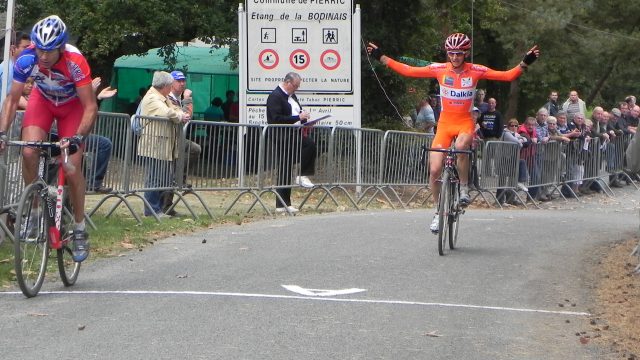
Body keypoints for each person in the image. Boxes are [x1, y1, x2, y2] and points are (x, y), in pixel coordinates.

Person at [367, 33, 539, 233]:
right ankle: (438, 212)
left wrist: (525, 62)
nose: (455, 57)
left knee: (460, 148)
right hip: (445, 124)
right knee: (434, 171)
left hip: (464, 123)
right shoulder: (439, 69)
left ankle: (464, 188)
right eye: (451, 53)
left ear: (465, 53)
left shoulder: (475, 70)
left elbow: (507, 75)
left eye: (458, 53)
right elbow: (408, 71)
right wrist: (381, 57)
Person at [0, 15, 97, 262]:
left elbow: (90, 107)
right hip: (42, 101)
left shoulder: (75, 62)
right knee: (29, 151)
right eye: (40, 49)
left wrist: (77, 137)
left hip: (72, 106)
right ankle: (33, 212)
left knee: (71, 166)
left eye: (49, 51)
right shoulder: (26, 58)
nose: (43, 56)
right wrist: (1, 133)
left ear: (61, 47)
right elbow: (12, 100)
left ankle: (79, 229)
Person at [137, 71, 189, 217]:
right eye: (170, 85)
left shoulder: (163, 97)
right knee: (154, 179)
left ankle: (158, 209)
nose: (172, 87)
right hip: (154, 144)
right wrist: (180, 116)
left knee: (163, 178)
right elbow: (167, 112)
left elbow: (174, 109)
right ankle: (151, 210)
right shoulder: (153, 98)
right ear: (165, 86)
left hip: (164, 145)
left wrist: (180, 113)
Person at [266, 72, 317, 213]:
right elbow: (276, 118)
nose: (296, 89)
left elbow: (297, 113)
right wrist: (297, 117)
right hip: (282, 136)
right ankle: (302, 175)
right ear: (288, 82)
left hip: (294, 133)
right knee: (309, 145)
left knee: (285, 168)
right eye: (295, 86)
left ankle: (282, 204)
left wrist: (306, 120)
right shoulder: (275, 96)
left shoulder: (292, 96)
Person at [164, 70, 202, 215]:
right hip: (168, 138)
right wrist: (187, 99)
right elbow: (187, 115)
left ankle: (181, 178)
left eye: (183, 80)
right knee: (168, 172)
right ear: (171, 83)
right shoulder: (168, 98)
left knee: (194, 149)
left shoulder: (177, 98)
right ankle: (165, 206)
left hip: (177, 137)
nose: (182, 83)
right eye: (178, 81)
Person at [0, 31, 31, 98]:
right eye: (26, 47)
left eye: (30, 48)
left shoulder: (13, 66)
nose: (29, 51)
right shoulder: (8, 69)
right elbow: (11, 97)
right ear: (13, 49)